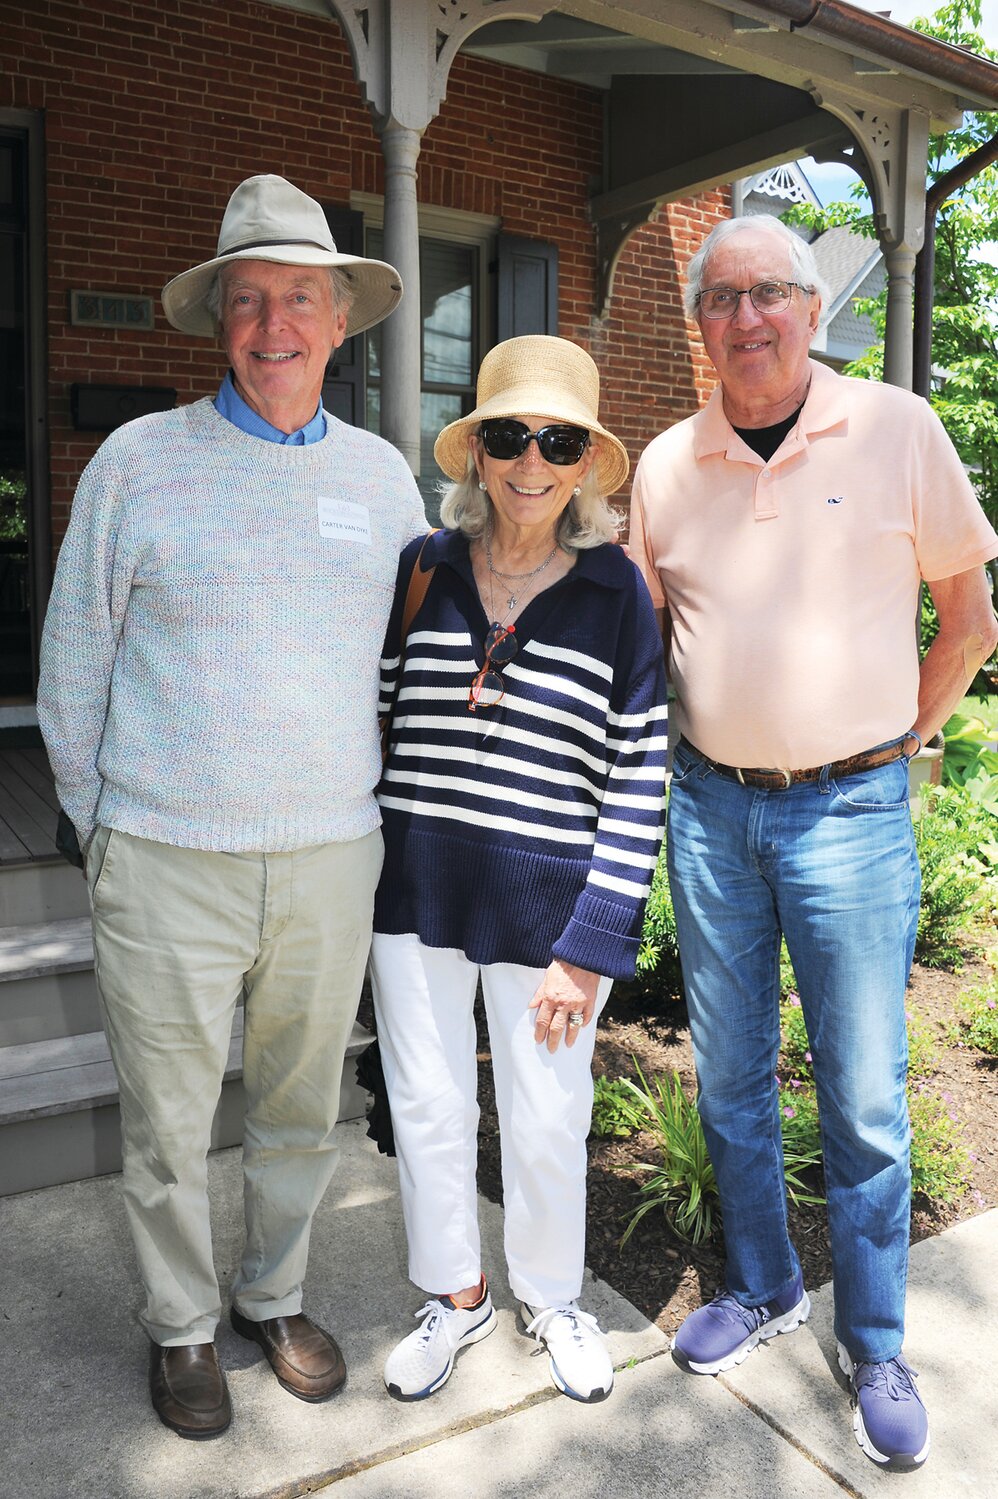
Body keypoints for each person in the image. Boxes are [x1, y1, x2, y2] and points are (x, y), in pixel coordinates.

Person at [37, 174, 426, 1439]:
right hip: (165, 857)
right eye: (249, 300)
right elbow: (74, 666)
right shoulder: (137, 466)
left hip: (328, 852)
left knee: (301, 1107)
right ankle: (181, 1327)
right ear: (219, 319)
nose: (274, 325)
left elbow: (411, 661)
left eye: (297, 299)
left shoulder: (381, 483)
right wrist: (105, 827)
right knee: (162, 1122)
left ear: (335, 317)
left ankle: (276, 1293)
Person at [629, 213, 998, 1472]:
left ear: (807, 306)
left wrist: (900, 743)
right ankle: (764, 1281)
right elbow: (635, 638)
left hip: (849, 811)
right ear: (697, 324)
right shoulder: (666, 465)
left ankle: (876, 1333)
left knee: (864, 1096)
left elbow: (968, 619)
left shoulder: (896, 428)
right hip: (710, 809)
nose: (745, 318)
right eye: (719, 298)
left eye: (768, 293)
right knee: (726, 1076)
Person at [369, 335, 668, 1405]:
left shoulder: (614, 592)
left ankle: (550, 1293)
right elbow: (378, 716)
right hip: (413, 891)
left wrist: (591, 941)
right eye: (507, 435)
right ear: (476, 455)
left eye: (556, 439)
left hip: (546, 906)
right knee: (427, 1100)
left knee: (546, 1113)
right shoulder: (422, 565)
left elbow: (639, 771)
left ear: (586, 459)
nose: (529, 460)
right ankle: (455, 1294)